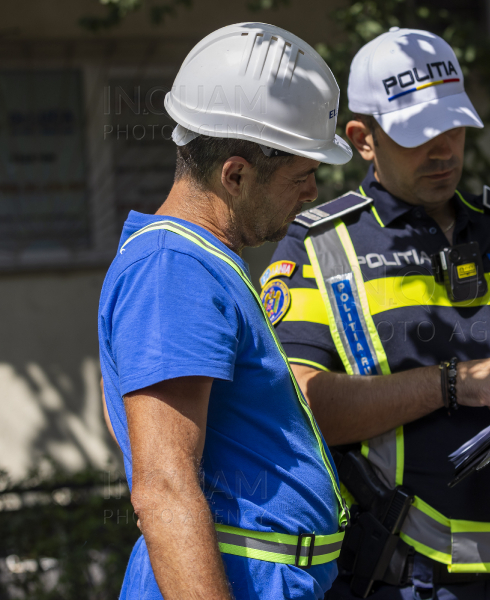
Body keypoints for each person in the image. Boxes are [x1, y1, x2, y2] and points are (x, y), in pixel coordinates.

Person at [265, 27, 490, 600]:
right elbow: (298, 410)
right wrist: (453, 384)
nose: (444, 148)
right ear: (363, 138)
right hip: (410, 579)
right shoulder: (319, 245)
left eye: (454, 127)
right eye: (418, 134)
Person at [98, 23, 354, 599]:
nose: (312, 193)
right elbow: (164, 489)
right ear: (235, 174)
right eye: (303, 175)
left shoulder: (197, 264)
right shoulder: (175, 270)